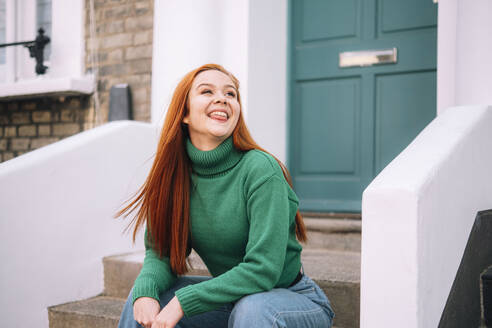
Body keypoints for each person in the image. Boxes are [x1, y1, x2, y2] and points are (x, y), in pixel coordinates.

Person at [116, 64, 335, 328]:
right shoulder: (174, 175)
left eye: (230, 94)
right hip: (234, 300)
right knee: (144, 298)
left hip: (291, 300)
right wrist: (145, 291)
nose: (222, 98)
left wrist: (184, 302)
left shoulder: (260, 169)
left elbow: (263, 269)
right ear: (184, 113)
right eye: (207, 91)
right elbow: (161, 253)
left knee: (252, 310)